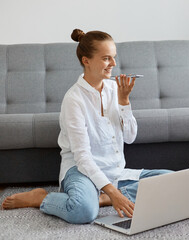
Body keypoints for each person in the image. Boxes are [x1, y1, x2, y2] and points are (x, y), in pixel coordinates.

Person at [1, 29, 172, 224]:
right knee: (83, 211)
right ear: (86, 61)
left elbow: (130, 137)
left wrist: (124, 101)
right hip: (80, 170)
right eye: (106, 58)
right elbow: (82, 157)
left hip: (113, 171)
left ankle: (102, 198)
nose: (113, 64)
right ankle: (42, 197)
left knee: (171, 180)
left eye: (113, 58)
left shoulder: (114, 89)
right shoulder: (73, 99)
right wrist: (114, 193)